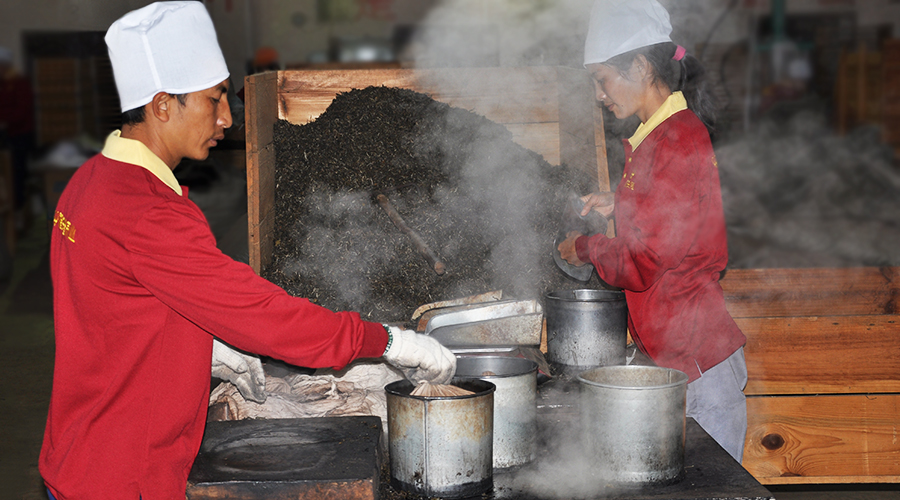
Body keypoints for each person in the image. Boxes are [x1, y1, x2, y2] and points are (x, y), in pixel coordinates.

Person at [38, 3, 455, 499]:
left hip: (76, 452)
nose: (228, 117)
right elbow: (269, 316)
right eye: (213, 99)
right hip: (124, 476)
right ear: (163, 104)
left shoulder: (88, 183)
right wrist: (388, 341)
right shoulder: (149, 214)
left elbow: (111, 309)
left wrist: (197, 345)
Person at [558, 0, 748, 462]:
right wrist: (619, 202)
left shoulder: (677, 138)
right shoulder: (652, 135)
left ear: (640, 66)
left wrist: (583, 248)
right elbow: (668, 218)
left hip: (697, 361)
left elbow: (643, 261)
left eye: (602, 79)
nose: (599, 94)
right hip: (674, 353)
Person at [0, 45, 36, 234]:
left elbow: (21, 112)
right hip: (5, 136)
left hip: (19, 136)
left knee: (17, 175)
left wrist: (4, 119)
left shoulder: (20, 83)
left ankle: (18, 215)